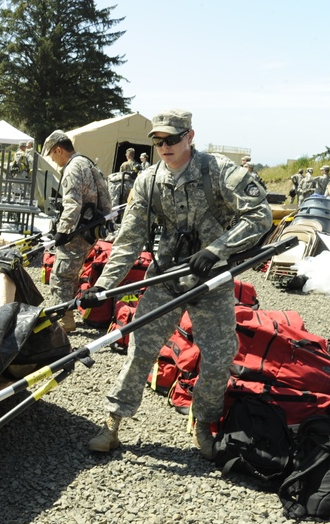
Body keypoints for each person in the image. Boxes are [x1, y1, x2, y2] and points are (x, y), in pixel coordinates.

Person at [80, 109, 271, 456]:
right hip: (166, 277)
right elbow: (129, 239)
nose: (164, 146)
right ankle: (112, 424)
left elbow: (260, 215)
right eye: (158, 140)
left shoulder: (219, 171)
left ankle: (203, 426)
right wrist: (104, 284)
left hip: (211, 281)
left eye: (171, 139)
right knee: (140, 351)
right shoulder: (148, 180)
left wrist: (216, 250)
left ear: (190, 136)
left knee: (217, 358)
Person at [42, 129, 112, 333]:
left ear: (58, 150)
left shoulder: (72, 168)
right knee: (72, 274)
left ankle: (63, 323)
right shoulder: (86, 162)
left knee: (61, 276)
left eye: (52, 155)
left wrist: (62, 232)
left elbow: (72, 204)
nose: (54, 161)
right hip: (90, 229)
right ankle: (69, 312)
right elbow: (105, 197)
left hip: (77, 231)